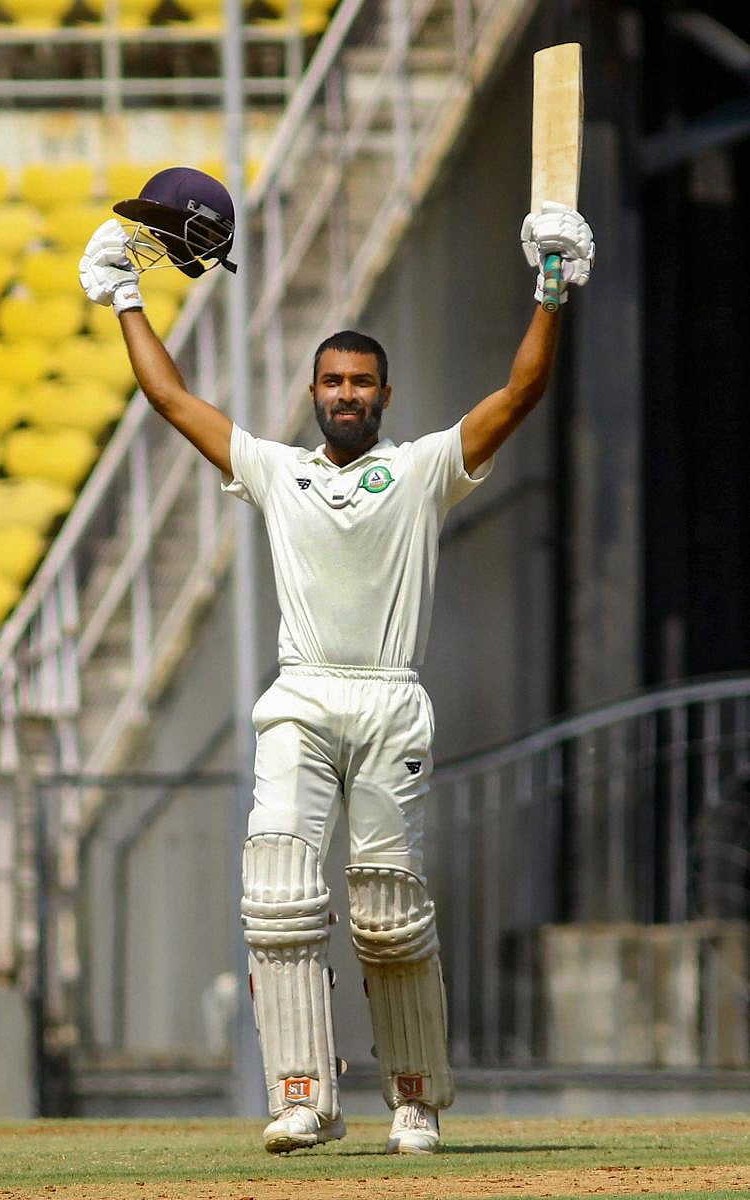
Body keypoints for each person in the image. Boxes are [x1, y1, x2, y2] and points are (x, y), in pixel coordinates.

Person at [79, 183, 594, 1155]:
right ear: (313, 393)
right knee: (275, 892)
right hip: (301, 695)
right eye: (331, 382)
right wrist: (122, 295)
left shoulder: (422, 468)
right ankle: (304, 1095)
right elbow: (171, 398)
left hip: (390, 700)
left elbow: (519, 394)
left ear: (384, 396)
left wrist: (553, 287)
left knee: (387, 914)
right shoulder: (278, 470)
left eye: (360, 382)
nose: (345, 394)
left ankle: (412, 1097)